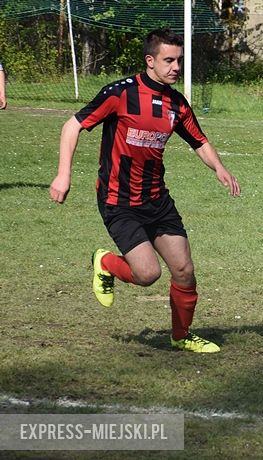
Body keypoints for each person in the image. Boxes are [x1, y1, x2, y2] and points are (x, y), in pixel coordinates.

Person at [49, 28, 241, 353]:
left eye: (179, 60)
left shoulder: (176, 104)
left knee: (184, 270)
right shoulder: (120, 94)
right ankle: (106, 263)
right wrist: (62, 175)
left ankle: (181, 336)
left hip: (156, 200)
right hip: (118, 201)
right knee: (148, 273)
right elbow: (72, 125)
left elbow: (199, 140)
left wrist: (219, 168)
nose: (176, 67)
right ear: (150, 61)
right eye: (169, 60)